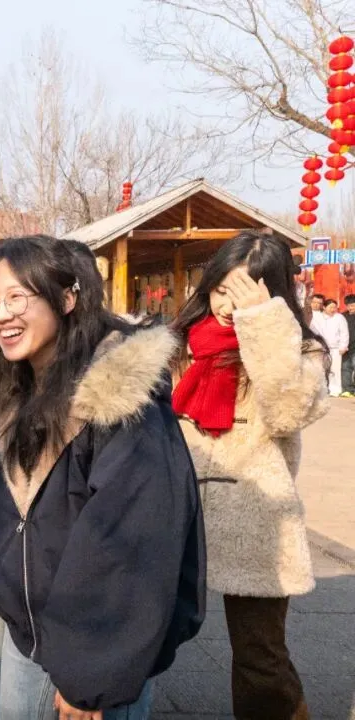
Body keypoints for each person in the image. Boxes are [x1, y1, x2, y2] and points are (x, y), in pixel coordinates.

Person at [0, 236, 205, 719]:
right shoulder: (10, 388)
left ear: (67, 298)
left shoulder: (119, 399)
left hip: (97, 645)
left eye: (17, 298)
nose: (1, 315)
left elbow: (131, 547)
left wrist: (90, 676)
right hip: (28, 630)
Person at [170, 231, 329, 720]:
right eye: (221, 289)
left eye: (242, 293)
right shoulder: (179, 343)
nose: (226, 306)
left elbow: (286, 412)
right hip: (176, 512)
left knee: (260, 659)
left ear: (272, 295)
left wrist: (263, 326)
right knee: (140, 635)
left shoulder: (298, 352)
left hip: (255, 522)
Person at [311, 298, 349, 396]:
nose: (333, 309)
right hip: (322, 348)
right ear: (324, 307)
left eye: (334, 307)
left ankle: (335, 390)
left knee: (334, 369)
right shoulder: (318, 317)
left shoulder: (339, 317)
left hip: (335, 349)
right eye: (330, 307)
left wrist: (343, 346)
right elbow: (314, 331)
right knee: (320, 369)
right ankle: (321, 390)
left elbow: (344, 332)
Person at [343, 295, 355, 397]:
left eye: (352, 305)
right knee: (346, 368)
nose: (350, 308)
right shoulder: (342, 316)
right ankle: (348, 389)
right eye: (348, 305)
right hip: (345, 347)